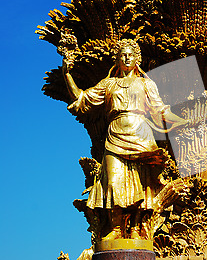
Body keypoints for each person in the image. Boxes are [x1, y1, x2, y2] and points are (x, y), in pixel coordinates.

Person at [62, 38, 187, 240]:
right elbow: (82, 99)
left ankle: (137, 228)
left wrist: (183, 121)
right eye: (123, 55)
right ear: (117, 59)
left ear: (137, 59)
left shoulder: (146, 83)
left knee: (140, 182)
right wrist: (66, 73)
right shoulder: (109, 84)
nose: (127, 58)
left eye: (130, 54)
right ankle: (116, 228)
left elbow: (160, 110)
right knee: (113, 180)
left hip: (141, 135)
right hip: (115, 134)